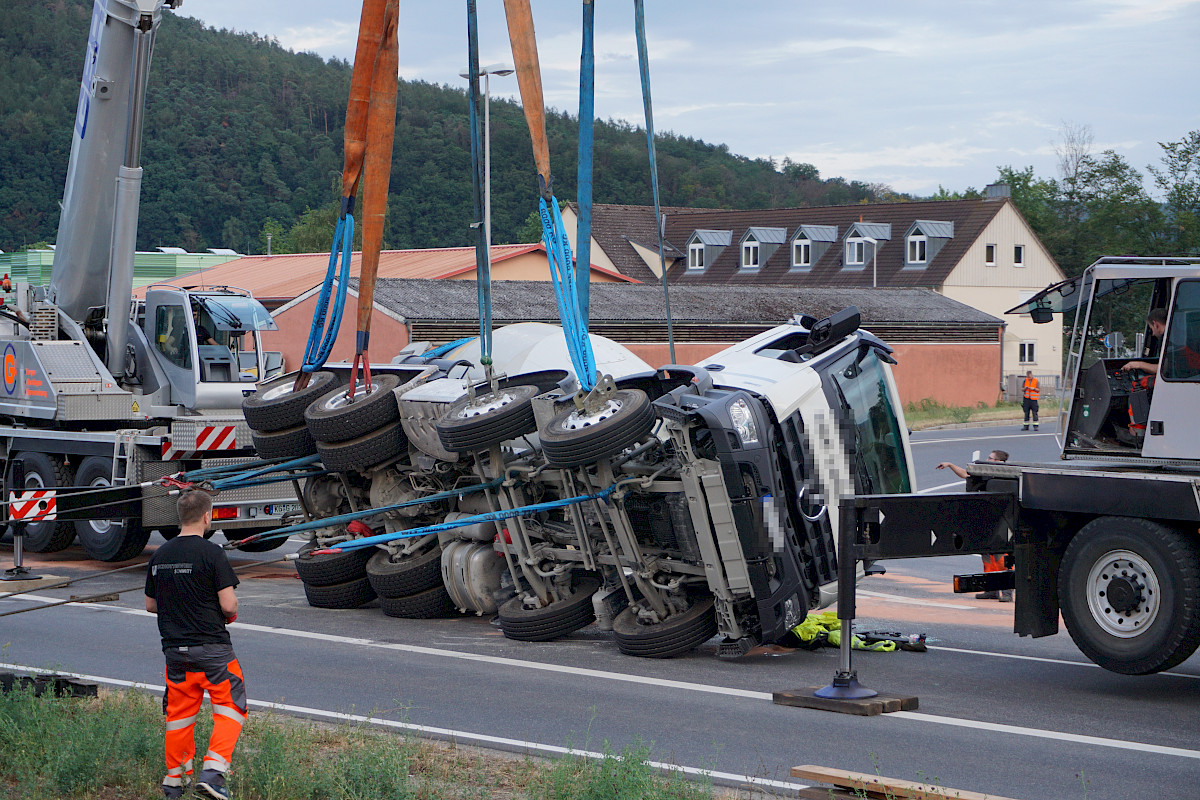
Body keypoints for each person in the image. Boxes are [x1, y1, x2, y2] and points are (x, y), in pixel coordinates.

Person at [145, 491, 246, 800]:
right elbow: (228, 605)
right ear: (207, 516)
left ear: (180, 517)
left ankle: (174, 781)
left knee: (179, 714)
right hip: (212, 649)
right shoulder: (212, 553)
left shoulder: (159, 555)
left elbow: (151, 605)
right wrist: (227, 610)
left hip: (175, 652)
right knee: (232, 704)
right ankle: (213, 774)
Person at [937, 449, 1013, 601]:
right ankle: (990, 590)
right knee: (986, 557)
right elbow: (966, 474)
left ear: (999, 462)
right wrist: (951, 465)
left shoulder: (1004, 478)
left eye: (991, 458)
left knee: (1000, 558)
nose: (987, 460)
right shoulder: (983, 475)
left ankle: (1006, 592)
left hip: (999, 524)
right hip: (983, 522)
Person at [1121, 308, 1168, 375]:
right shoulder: (1176, 338)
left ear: (1155, 324)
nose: (1153, 334)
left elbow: (1163, 369)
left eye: (1151, 328)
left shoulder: (1166, 340)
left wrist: (1138, 364)